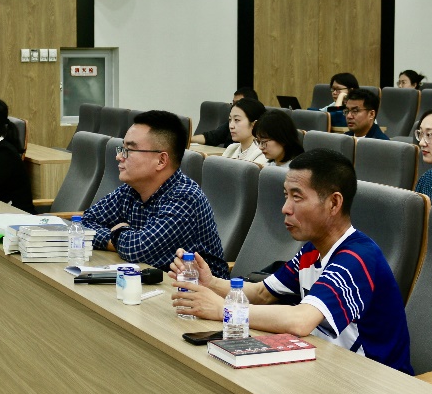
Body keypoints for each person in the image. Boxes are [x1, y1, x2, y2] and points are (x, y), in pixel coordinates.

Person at [169, 149, 413, 373]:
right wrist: (211, 282)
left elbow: (301, 321)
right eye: (286, 196)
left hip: (375, 382)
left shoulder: (358, 257)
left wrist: (224, 310)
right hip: (328, 365)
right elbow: (262, 294)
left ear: (334, 203)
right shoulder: (312, 250)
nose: (285, 208)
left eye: (297, 197)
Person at [81, 110, 228, 277]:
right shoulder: (131, 190)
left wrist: (119, 232)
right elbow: (85, 223)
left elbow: (138, 250)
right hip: (156, 283)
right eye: (122, 148)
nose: (119, 156)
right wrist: (115, 240)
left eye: (129, 150)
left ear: (161, 160)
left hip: (199, 290)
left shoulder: (185, 198)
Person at [191, 86, 259, 146]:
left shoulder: (259, 144)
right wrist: (188, 139)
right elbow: (212, 137)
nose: (231, 126)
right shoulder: (231, 125)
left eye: (238, 103)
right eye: (233, 103)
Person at [222, 98, 268, 165]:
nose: (231, 126)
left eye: (237, 120)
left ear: (255, 124)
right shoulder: (231, 149)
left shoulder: (263, 153)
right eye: (230, 120)